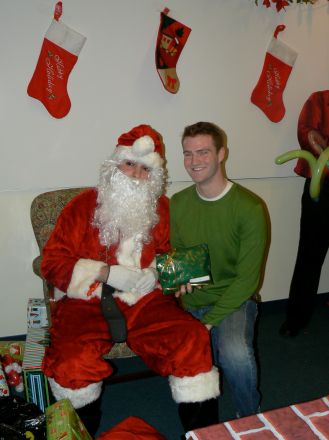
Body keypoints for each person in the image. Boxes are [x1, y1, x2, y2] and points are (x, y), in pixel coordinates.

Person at [40, 124, 220, 437]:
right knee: (72, 360)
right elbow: (52, 263)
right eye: (129, 164)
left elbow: (175, 257)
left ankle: (203, 433)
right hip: (88, 302)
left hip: (147, 300)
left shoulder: (163, 208)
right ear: (114, 165)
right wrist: (104, 273)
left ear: (155, 176)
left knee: (191, 339)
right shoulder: (81, 207)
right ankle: (80, 433)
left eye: (145, 168)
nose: (136, 175)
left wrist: (156, 274)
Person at [170, 121, 268, 418]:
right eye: (188, 154)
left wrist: (209, 323)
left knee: (234, 354)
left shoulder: (250, 207)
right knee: (176, 352)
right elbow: (179, 256)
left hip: (235, 299)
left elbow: (247, 281)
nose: (194, 162)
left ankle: (249, 417)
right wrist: (178, 280)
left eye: (203, 152)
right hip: (192, 301)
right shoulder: (178, 203)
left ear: (222, 153)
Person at [280, 90, 329, 337]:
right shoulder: (319, 100)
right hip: (321, 187)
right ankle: (296, 318)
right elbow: (306, 132)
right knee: (310, 255)